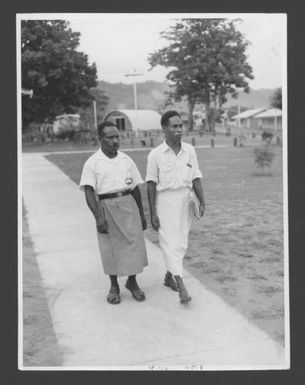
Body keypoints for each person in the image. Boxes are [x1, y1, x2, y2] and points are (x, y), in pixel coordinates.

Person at [79, 121, 148, 305]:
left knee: (134, 245)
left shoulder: (126, 160)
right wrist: (97, 217)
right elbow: (88, 191)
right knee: (110, 249)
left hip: (128, 204)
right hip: (106, 207)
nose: (115, 141)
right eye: (110, 137)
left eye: (117, 137)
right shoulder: (93, 162)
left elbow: (135, 188)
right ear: (100, 139)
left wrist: (141, 214)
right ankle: (114, 286)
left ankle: (132, 282)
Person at [146, 111, 205, 305]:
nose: (179, 129)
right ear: (164, 128)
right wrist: (153, 212)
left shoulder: (189, 150)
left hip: (185, 201)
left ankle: (169, 276)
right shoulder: (155, 154)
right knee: (169, 243)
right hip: (165, 202)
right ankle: (181, 286)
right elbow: (151, 184)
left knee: (180, 242)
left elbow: (195, 176)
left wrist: (202, 199)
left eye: (181, 125)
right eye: (174, 126)